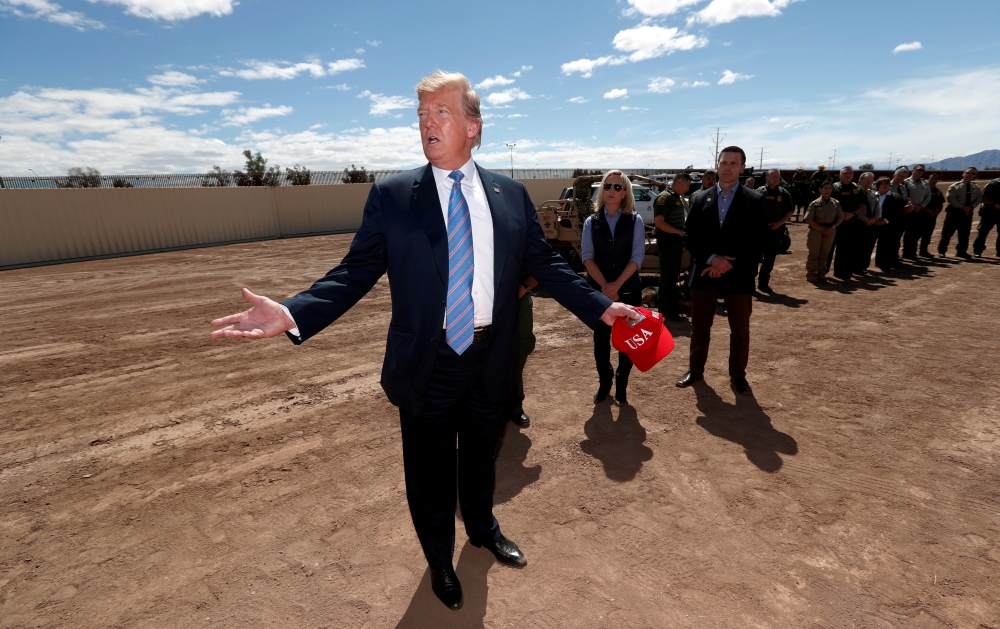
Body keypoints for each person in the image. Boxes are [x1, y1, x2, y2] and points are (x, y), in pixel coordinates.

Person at [208, 71, 637, 611]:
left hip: (491, 354)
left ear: (473, 127)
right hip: (427, 361)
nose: (427, 123)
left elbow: (545, 263)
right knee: (429, 469)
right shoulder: (393, 196)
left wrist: (602, 308)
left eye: (441, 113)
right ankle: (439, 558)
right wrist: (293, 312)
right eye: (421, 114)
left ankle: (481, 529)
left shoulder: (511, 196)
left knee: (482, 456)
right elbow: (355, 271)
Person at [676, 146, 768, 396]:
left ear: (742, 168)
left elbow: (757, 241)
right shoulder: (700, 198)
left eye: (733, 163)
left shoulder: (754, 200)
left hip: (738, 275)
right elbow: (689, 235)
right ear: (717, 166)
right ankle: (695, 371)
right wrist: (711, 259)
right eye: (723, 162)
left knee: (740, 330)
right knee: (700, 328)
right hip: (704, 273)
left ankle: (738, 375)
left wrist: (726, 264)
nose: (727, 167)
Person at [583, 170, 647, 406]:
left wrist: (616, 286)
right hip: (599, 293)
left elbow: (637, 257)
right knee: (600, 340)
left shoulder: (635, 220)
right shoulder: (592, 222)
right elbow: (587, 257)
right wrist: (605, 287)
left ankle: (622, 384)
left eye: (617, 187)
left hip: (628, 290)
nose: (612, 190)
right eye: (608, 186)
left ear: (625, 193)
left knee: (628, 341)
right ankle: (605, 381)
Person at [654, 172, 691, 320]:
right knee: (669, 277)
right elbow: (659, 222)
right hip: (668, 242)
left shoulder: (677, 197)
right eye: (687, 186)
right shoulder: (664, 198)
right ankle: (671, 310)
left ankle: (663, 306)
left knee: (669, 276)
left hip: (675, 242)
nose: (687, 189)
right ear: (679, 182)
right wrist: (678, 232)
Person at [755, 168, 794, 292]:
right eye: (773, 176)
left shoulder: (784, 193)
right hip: (759, 230)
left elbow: (790, 210)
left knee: (770, 258)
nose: (776, 178)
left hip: (776, 229)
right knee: (754, 258)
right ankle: (750, 285)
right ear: (767, 178)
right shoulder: (759, 192)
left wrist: (780, 222)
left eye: (778, 176)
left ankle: (763, 284)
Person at [509, 271, 538, 427]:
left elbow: (539, 266)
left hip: (519, 298)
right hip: (486, 299)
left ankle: (515, 405)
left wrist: (524, 287)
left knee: (521, 348)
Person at [828, 166, 866, 279]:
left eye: (850, 173)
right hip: (834, 223)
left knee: (845, 248)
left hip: (850, 222)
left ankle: (841, 272)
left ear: (853, 175)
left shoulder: (858, 188)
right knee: (829, 248)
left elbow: (861, 206)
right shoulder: (833, 187)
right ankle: (822, 272)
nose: (848, 175)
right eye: (845, 173)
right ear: (840, 175)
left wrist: (852, 214)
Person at [938, 167, 983, 259]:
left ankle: (962, 251)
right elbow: (951, 199)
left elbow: (979, 198)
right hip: (955, 212)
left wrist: (970, 207)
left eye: (973, 174)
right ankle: (942, 251)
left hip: (968, 213)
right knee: (947, 233)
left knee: (965, 233)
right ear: (963, 174)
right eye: (968, 173)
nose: (970, 175)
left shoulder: (976, 187)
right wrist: (962, 207)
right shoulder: (955, 186)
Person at [804, 181, 843, 283]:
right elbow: (809, 219)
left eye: (829, 188)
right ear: (820, 190)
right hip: (816, 230)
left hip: (830, 230)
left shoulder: (836, 203)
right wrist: (822, 230)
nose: (827, 190)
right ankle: (811, 274)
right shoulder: (815, 203)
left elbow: (840, 217)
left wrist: (831, 228)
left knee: (825, 254)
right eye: (825, 188)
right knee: (814, 253)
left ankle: (821, 274)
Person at [874, 177, 906, 271]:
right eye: (883, 184)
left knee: (886, 244)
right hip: (873, 223)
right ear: (878, 186)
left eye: (887, 184)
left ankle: (886, 264)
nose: (885, 185)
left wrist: (886, 221)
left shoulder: (896, 197)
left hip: (888, 225)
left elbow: (898, 212)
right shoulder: (873, 195)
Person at [901, 165, 931, 259]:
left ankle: (912, 253)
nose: (920, 172)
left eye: (922, 170)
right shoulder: (905, 182)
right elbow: (904, 196)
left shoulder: (925, 183)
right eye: (918, 170)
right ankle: (905, 253)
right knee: (906, 233)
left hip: (919, 211)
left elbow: (928, 196)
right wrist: (910, 206)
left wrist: (921, 206)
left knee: (916, 233)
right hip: (908, 211)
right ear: (913, 170)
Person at [855, 171, 882, 272]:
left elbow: (878, 207)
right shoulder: (856, 193)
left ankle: (863, 266)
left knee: (868, 246)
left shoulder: (872, 193)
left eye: (871, 181)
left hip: (871, 224)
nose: (869, 183)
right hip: (859, 223)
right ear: (859, 181)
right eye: (866, 180)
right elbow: (855, 209)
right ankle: (854, 267)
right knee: (857, 247)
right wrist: (867, 220)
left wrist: (875, 218)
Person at [972, 176, 1000, 258]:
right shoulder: (993, 184)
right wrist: (994, 204)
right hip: (990, 212)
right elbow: (982, 198)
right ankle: (977, 251)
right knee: (983, 232)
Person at [919, 172, 946, 257]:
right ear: (928, 179)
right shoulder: (923, 190)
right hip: (922, 215)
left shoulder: (938, 191)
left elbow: (941, 203)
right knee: (917, 234)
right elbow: (919, 203)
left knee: (928, 234)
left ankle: (923, 251)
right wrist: (929, 211)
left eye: (935, 179)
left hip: (932, 216)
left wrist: (938, 212)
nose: (934, 180)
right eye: (932, 178)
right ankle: (911, 252)